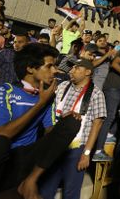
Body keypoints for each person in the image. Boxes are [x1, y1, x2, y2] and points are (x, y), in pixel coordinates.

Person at [0, 43, 80, 199]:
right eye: (49, 66)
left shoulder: (47, 97)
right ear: (30, 68)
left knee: (71, 123)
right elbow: (2, 133)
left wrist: (61, 124)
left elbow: (50, 133)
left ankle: (30, 180)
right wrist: (40, 104)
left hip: (21, 162)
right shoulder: (3, 91)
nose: (55, 71)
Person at [40, 59, 106, 199]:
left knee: (71, 192)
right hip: (54, 145)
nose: (71, 71)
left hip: (75, 150)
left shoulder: (96, 94)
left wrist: (86, 153)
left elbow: (97, 124)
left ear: (88, 72)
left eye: (77, 68)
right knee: (46, 189)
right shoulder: (63, 86)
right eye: (72, 68)